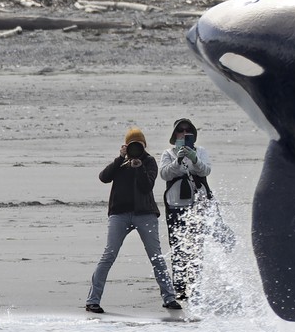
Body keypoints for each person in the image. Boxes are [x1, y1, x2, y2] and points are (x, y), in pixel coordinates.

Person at [85, 127, 182, 313]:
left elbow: (147, 187)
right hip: (119, 214)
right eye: (132, 145)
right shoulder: (120, 162)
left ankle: (169, 298)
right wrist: (121, 159)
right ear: (126, 146)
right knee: (109, 255)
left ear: (144, 146)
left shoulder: (150, 162)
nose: (136, 149)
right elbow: (103, 177)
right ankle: (92, 300)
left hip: (145, 213)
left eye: (139, 145)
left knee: (156, 257)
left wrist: (139, 168)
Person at [158, 118, 213, 300]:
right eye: (180, 130)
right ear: (175, 135)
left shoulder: (201, 152)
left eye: (187, 130)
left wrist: (194, 159)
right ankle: (180, 288)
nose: (184, 133)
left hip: (198, 203)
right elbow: (164, 173)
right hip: (175, 204)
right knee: (177, 245)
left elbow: (205, 171)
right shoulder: (168, 153)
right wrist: (178, 160)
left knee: (197, 245)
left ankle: (195, 286)